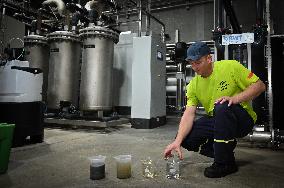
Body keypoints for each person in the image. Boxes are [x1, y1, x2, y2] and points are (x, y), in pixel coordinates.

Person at [163, 41, 266, 178]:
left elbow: (259, 86)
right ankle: (224, 151)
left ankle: (224, 164)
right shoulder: (193, 85)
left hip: (242, 119)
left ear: (209, 58)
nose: (194, 67)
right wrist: (177, 141)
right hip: (219, 120)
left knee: (222, 106)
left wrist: (234, 99)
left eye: (198, 62)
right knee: (184, 138)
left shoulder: (230, 66)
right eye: (191, 63)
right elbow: (189, 113)